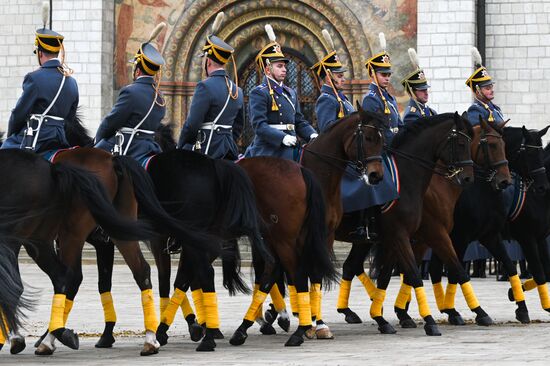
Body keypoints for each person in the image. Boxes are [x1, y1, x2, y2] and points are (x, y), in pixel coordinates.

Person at [2, 2, 78, 154]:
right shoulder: (71, 82)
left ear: (40, 53)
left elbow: (19, 113)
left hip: (37, 138)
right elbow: (70, 118)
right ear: (57, 53)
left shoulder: (34, 78)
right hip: (60, 139)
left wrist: (11, 136)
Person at [94, 22, 166, 166]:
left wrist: (97, 140)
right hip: (151, 147)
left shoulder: (130, 91)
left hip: (129, 147)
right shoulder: (160, 97)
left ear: (137, 70)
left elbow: (110, 122)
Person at [244, 24, 317, 161]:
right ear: (267, 70)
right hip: (268, 150)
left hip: (291, 149)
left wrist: (312, 135)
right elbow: (259, 126)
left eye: (284, 66)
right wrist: (282, 137)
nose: (284, 69)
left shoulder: (291, 93)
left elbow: (299, 121)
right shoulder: (259, 93)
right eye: (279, 66)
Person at [177, 12, 244, 160]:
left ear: (208, 61)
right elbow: (239, 125)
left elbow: (192, 125)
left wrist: (180, 145)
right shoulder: (237, 90)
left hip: (207, 149)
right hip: (229, 150)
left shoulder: (204, 86)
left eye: (203, 60)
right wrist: (227, 141)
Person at [401, 48, 437, 123]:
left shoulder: (431, 111)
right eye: (422, 90)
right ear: (412, 92)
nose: (426, 93)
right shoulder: (411, 115)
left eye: (426, 89)